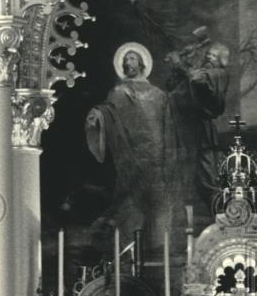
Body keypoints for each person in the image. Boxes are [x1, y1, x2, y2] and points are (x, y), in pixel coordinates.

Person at [85, 42, 175, 246]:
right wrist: (97, 116)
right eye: (126, 60)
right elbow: (108, 111)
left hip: (155, 156)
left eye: (132, 58)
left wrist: (167, 154)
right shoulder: (119, 92)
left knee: (159, 202)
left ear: (142, 63)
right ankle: (127, 249)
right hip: (129, 155)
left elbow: (168, 125)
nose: (128, 62)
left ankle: (159, 247)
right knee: (129, 201)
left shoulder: (159, 95)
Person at [168, 27, 230, 208]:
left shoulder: (218, 74)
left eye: (212, 56)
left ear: (220, 60)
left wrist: (180, 64)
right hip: (186, 126)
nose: (208, 58)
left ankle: (221, 210)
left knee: (207, 174)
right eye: (208, 56)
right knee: (186, 173)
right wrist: (178, 69)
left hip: (201, 129)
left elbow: (197, 80)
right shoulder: (204, 72)